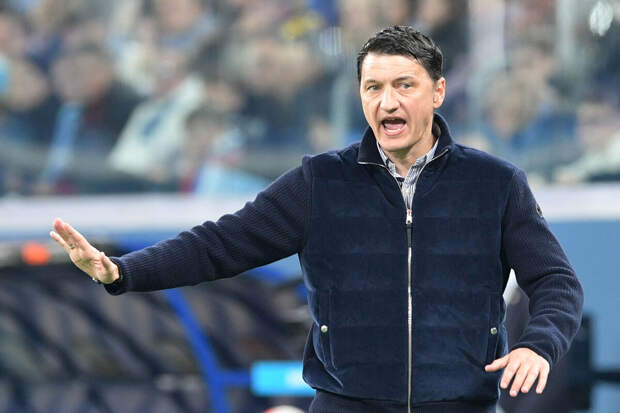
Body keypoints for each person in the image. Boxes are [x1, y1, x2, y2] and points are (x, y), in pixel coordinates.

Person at [50, 26, 584, 413]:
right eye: (373, 87)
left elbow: (556, 281)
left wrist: (538, 345)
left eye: (404, 85)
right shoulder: (319, 182)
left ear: (438, 92)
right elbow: (219, 245)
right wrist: (122, 271)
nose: (387, 101)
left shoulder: (496, 183)